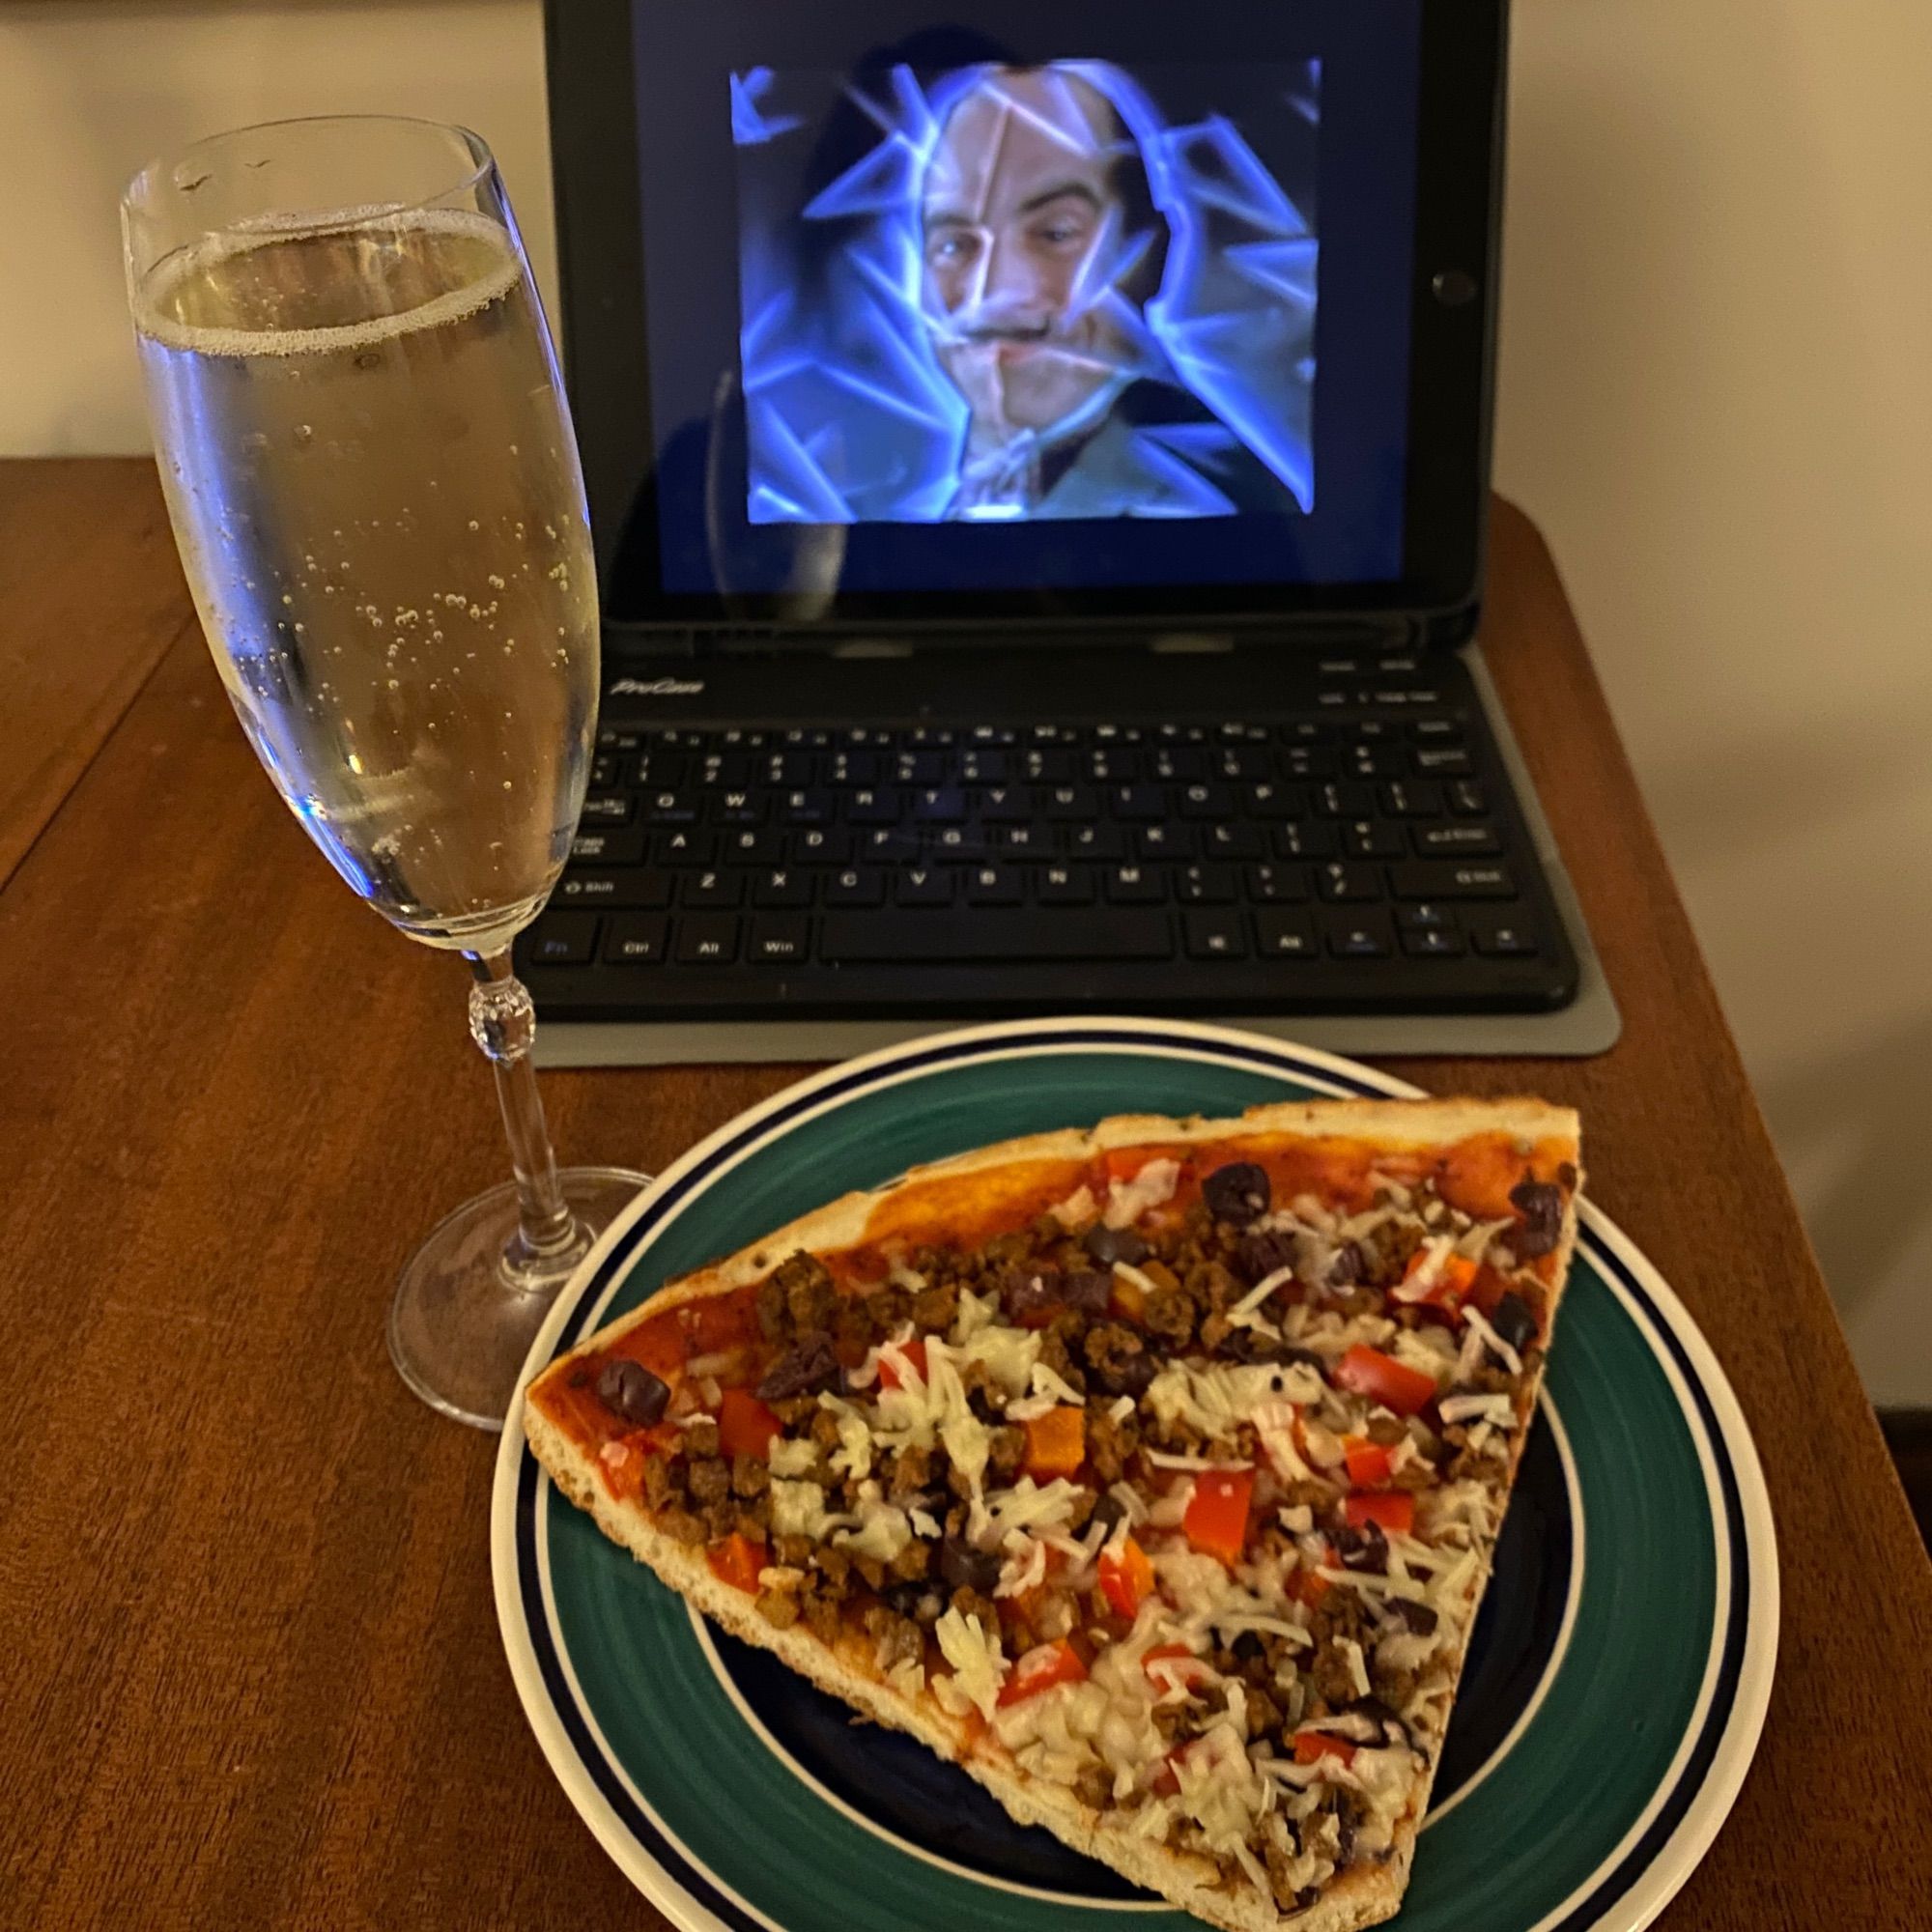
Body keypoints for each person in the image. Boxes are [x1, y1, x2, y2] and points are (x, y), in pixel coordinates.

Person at [917, 63, 1296, 521]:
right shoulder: (957, 489)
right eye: (955, 245)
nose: (993, 292)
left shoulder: (1212, 501)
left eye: (1056, 233)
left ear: (1154, 251)